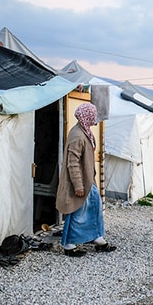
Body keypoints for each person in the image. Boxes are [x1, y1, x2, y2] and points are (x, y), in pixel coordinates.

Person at [56, 103, 116, 257]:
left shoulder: (85, 132)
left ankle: (97, 238)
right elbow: (72, 162)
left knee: (94, 207)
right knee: (78, 212)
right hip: (81, 182)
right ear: (86, 116)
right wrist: (78, 185)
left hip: (88, 180)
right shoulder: (77, 135)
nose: (95, 118)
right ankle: (69, 244)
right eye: (93, 115)